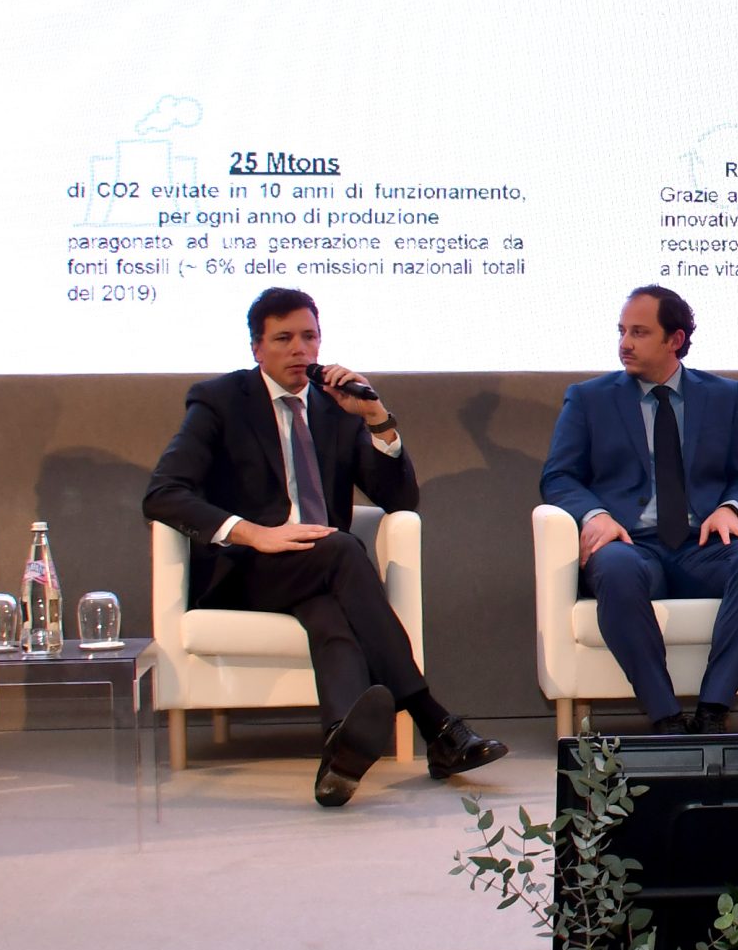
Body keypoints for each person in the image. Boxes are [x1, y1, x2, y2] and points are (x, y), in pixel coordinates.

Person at [143, 286, 503, 806]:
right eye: (283, 338)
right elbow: (162, 493)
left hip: (320, 570)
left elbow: (400, 500)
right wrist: (255, 533)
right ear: (256, 347)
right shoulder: (220, 400)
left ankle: (339, 754)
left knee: (332, 612)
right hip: (247, 569)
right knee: (343, 549)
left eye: (309, 337)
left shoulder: (336, 408)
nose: (300, 349)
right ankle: (435, 722)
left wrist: (376, 418)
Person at [540, 285, 738, 733]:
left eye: (639, 332)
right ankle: (665, 716)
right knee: (616, 569)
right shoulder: (589, 398)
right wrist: (596, 515)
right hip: (630, 543)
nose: (625, 343)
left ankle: (713, 710)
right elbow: (559, 476)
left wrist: (731, 508)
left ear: (675, 339)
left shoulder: (725, 396)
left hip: (701, 544)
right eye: (621, 331)